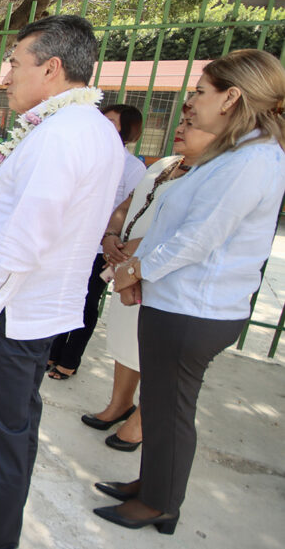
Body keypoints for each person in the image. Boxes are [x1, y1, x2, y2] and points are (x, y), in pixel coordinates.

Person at [0, 15, 123, 549]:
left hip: (11, 316)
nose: (7, 77)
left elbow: (23, 241)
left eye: (15, 65)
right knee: (10, 428)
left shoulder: (63, 136)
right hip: (30, 309)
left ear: (52, 68)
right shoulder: (83, 128)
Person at [93, 49, 285, 535]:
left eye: (201, 92)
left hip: (195, 309)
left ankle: (159, 504)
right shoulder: (235, 153)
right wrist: (142, 273)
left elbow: (199, 239)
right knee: (159, 404)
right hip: (176, 301)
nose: (192, 101)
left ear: (232, 97)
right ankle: (154, 485)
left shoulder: (255, 160)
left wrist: (135, 270)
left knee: (171, 409)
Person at [81, 107, 208, 452]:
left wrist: (136, 247)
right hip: (125, 265)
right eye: (180, 122)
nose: (180, 128)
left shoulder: (210, 175)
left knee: (154, 350)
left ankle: (139, 423)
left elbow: (190, 231)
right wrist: (111, 235)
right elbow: (128, 202)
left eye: (190, 124)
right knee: (125, 340)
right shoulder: (163, 164)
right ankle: (120, 404)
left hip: (160, 272)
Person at [46, 104, 146, 379]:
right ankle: (52, 352)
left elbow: (130, 211)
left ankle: (70, 359)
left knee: (87, 302)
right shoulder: (89, 158)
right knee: (62, 297)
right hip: (74, 242)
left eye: (111, 122)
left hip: (103, 249)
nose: (102, 125)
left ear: (127, 130)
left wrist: (113, 244)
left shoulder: (134, 167)